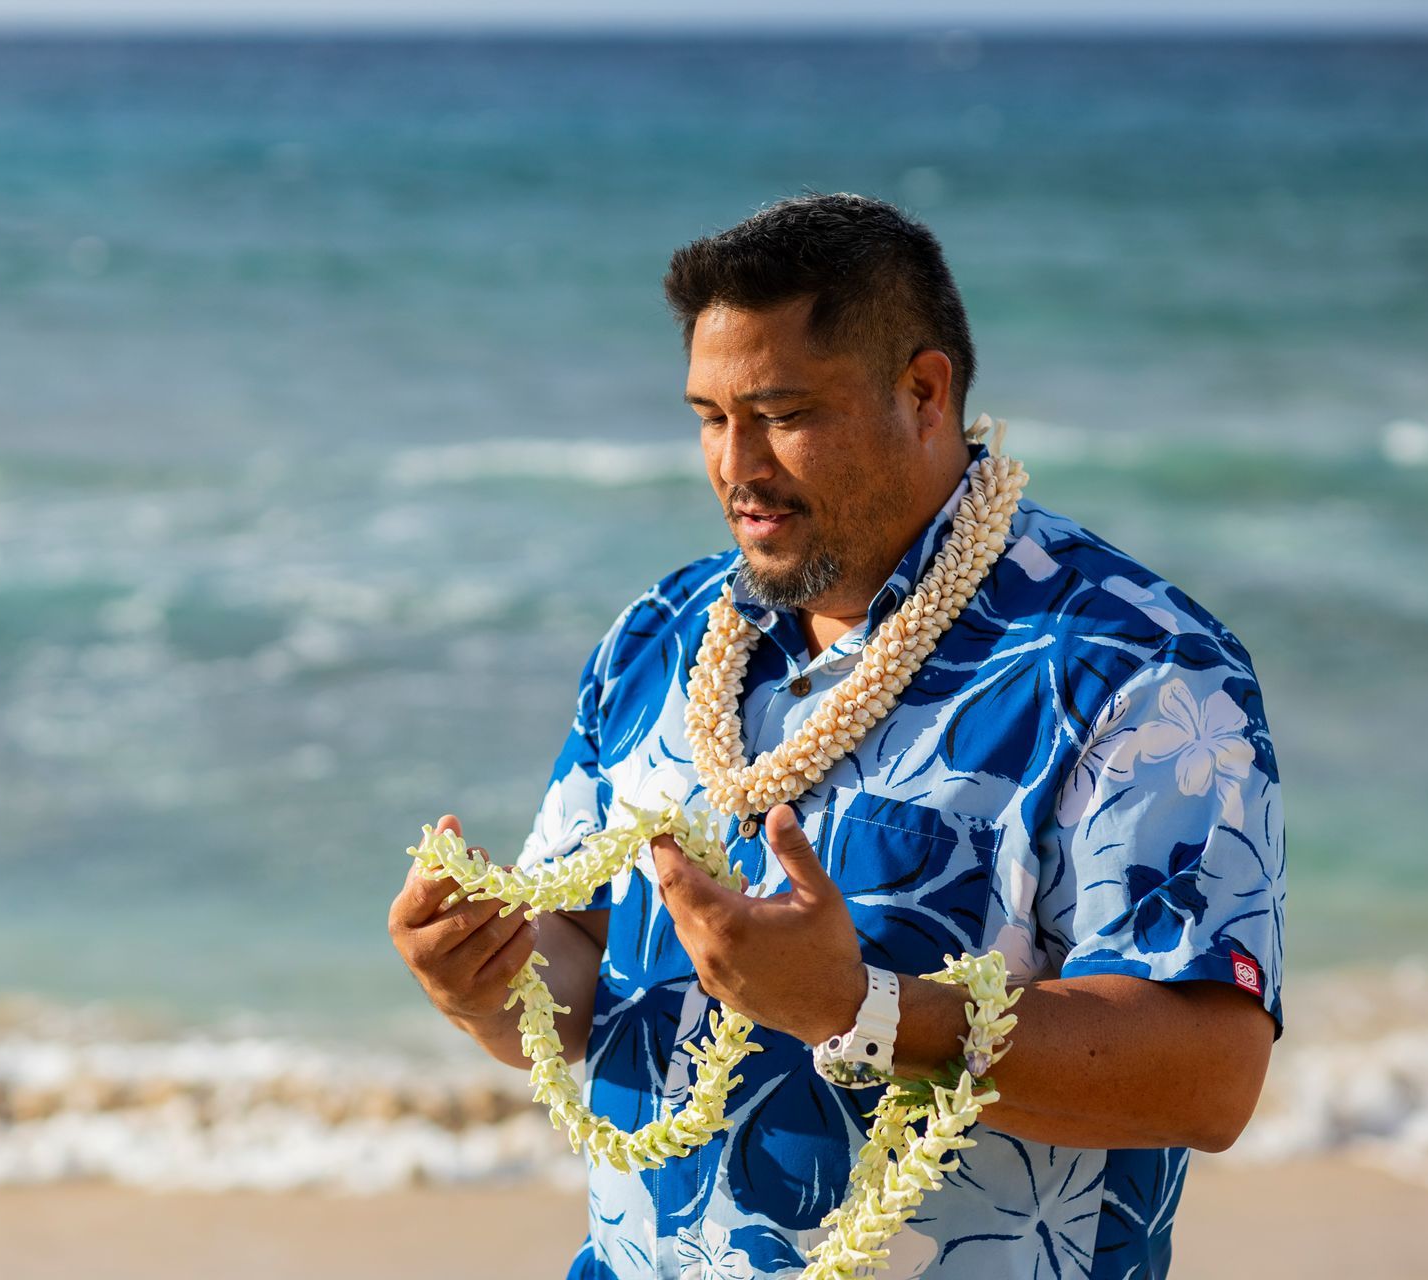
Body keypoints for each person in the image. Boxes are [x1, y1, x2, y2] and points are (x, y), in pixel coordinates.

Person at [387, 192, 1284, 1280]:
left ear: (923, 391)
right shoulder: (661, 636)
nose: (737, 465)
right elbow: (582, 969)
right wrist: (488, 978)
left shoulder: (1134, 667)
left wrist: (861, 1007)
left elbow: (1208, 1074)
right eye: (711, 417)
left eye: (782, 412)